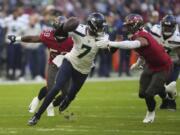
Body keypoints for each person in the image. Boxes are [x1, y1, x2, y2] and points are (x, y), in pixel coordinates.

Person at [27, 12, 109, 126]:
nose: (101, 29)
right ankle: (36, 116)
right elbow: (60, 35)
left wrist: (109, 45)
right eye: (99, 26)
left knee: (70, 96)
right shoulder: (79, 29)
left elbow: (108, 52)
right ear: (93, 25)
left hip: (83, 70)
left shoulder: (103, 37)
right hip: (69, 62)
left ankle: (61, 103)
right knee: (56, 87)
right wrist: (66, 26)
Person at [96, 14, 174, 123]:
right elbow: (144, 52)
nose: (127, 28)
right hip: (151, 64)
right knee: (142, 93)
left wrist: (111, 43)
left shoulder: (142, 35)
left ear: (136, 25)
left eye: (129, 25)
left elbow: (134, 44)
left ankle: (151, 113)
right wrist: (138, 63)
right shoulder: (135, 35)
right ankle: (167, 89)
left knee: (149, 94)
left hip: (163, 65)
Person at [8, 16, 73, 117]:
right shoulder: (48, 35)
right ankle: (38, 99)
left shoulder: (73, 39)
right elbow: (33, 38)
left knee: (67, 93)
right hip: (54, 64)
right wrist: (16, 39)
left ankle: (51, 105)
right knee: (51, 89)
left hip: (67, 65)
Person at [149, 14, 179, 110]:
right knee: (156, 84)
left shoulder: (177, 39)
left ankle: (172, 103)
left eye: (169, 28)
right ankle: (165, 101)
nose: (166, 30)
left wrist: (174, 60)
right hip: (158, 62)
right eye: (165, 27)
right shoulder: (154, 31)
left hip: (173, 62)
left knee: (170, 82)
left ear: (174, 28)